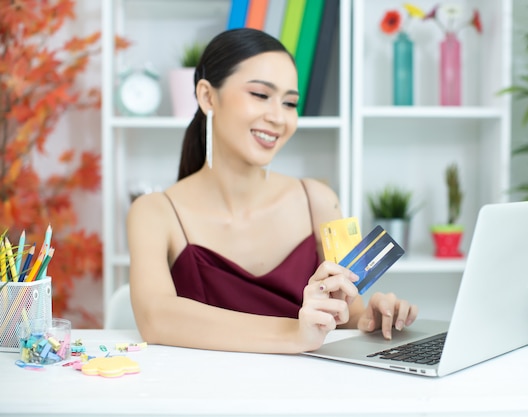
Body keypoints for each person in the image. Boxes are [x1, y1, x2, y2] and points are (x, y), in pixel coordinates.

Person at [126, 28, 418, 354]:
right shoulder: (153, 212)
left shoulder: (322, 200)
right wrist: (295, 333)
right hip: (204, 398)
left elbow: (349, 311)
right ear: (208, 96)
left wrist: (372, 319)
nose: (279, 117)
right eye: (261, 95)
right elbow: (155, 318)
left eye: (290, 102)